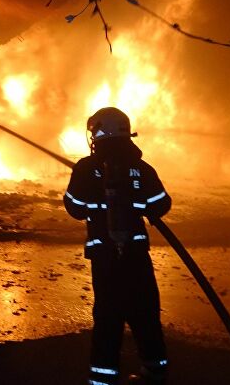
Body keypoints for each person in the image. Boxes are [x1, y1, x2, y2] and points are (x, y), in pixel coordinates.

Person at [64, 107, 172, 385]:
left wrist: (88, 187)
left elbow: (74, 208)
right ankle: (155, 370)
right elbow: (161, 204)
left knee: (108, 318)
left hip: (105, 256)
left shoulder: (86, 167)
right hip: (136, 255)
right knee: (145, 312)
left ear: (99, 133)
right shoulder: (143, 169)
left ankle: (103, 378)